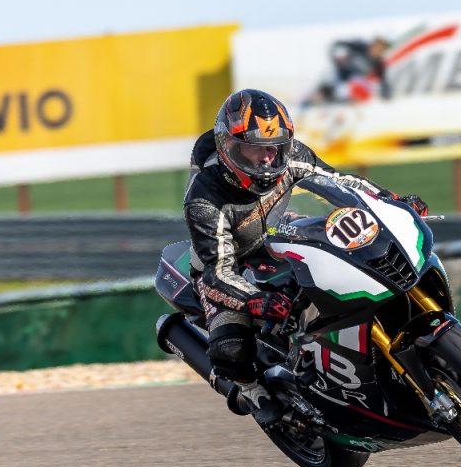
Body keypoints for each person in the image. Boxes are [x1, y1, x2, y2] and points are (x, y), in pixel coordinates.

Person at [183, 89, 428, 424]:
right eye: (255, 148)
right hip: (229, 267)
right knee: (231, 348)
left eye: (274, 147)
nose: (267, 158)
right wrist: (254, 300)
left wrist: (392, 200)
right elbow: (217, 273)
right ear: (230, 147)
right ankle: (252, 390)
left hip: (279, 236)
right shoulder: (204, 199)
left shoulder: (293, 156)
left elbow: (342, 184)